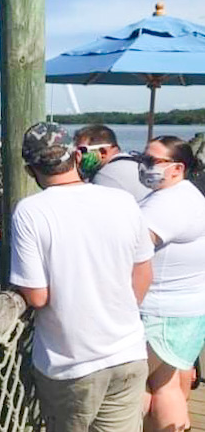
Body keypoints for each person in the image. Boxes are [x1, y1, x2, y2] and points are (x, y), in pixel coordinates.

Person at [11, 122, 154, 432]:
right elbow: (143, 270)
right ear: (77, 157)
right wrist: (118, 312)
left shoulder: (30, 211)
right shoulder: (122, 200)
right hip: (127, 350)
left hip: (72, 362)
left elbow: (37, 296)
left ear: (29, 169)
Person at [137, 136, 205, 432]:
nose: (143, 165)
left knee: (127, 385)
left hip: (159, 313)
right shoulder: (187, 195)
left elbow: (130, 246)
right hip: (182, 311)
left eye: (152, 161)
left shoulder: (170, 203)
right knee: (164, 384)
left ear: (177, 168)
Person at [74, 124, 150, 201]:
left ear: (103, 152)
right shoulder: (133, 163)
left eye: (82, 151)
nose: (77, 156)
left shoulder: (104, 177)